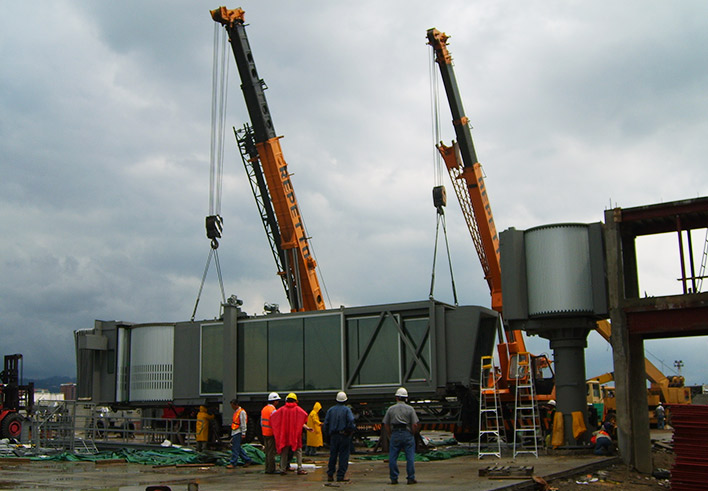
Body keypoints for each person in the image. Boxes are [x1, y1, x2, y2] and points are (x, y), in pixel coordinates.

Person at [382, 387, 420, 485]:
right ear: (406, 398)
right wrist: (412, 432)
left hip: (395, 433)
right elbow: (415, 424)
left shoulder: (391, 409)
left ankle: (394, 478)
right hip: (407, 433)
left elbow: (386, 424)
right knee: (410, 457)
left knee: (393, 457)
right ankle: (410, 478)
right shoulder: (410, 409)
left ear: (397, 398)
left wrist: (390, 434)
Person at [270, 392, 312, 476]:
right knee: (298, 451)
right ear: (295, 400)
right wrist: (307, 427)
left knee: (284, 452)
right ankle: (300, 468)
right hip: (295, 435)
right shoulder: (298, 409)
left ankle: (282, 469)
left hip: (285, 435)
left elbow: (273, 418)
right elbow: (303, 417)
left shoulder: (282, 409)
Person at [323, 391, 356, 483]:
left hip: (334, 436)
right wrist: (350, 431)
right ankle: (340, 476)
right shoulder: (347, 410)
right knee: (343, 456)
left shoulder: (330, 410)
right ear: (345, 400)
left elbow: (326, 424)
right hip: (344, 436)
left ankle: (330, 474)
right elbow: (351, 421)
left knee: (333, 455)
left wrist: (327, 435)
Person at [227, 399, 253, 469]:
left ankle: (233, 463)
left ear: (235, 405)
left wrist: (243, 432)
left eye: (232, 405)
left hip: (238, 432)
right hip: (235, 431)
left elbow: (243, 423)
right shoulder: (237, 412)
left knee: (235, 448)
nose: (231, 407)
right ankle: (247, 460)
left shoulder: (241, 412)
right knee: (237, 447)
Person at [261, 392, 281, 474]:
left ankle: (267, 468)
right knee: (271, 452)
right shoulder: (273, 410)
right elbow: (275, 423)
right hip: (271, 433)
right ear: (274, 401)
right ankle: (271, 469)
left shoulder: (264, 409)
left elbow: (261, 422)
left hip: (265, 432)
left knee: (267, 451)